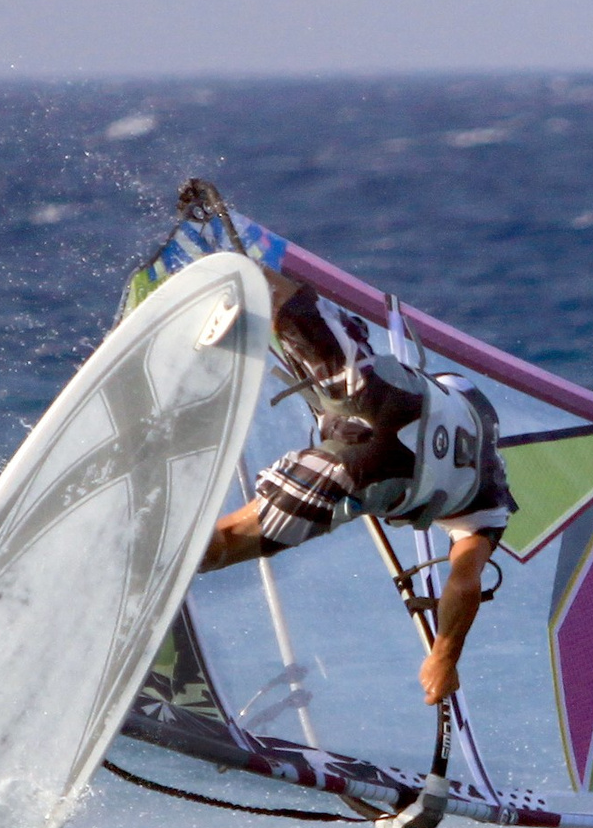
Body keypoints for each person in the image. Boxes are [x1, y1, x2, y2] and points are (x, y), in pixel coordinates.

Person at [182, 180, 515, 709]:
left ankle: (222, 248)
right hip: (363, 469)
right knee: (224, 542)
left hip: (374, 394)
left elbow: (431, 380)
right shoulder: (488, 511)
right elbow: (464, 582)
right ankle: (135, 571)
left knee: (294, 309)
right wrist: (445, 656)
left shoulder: (472, 402)